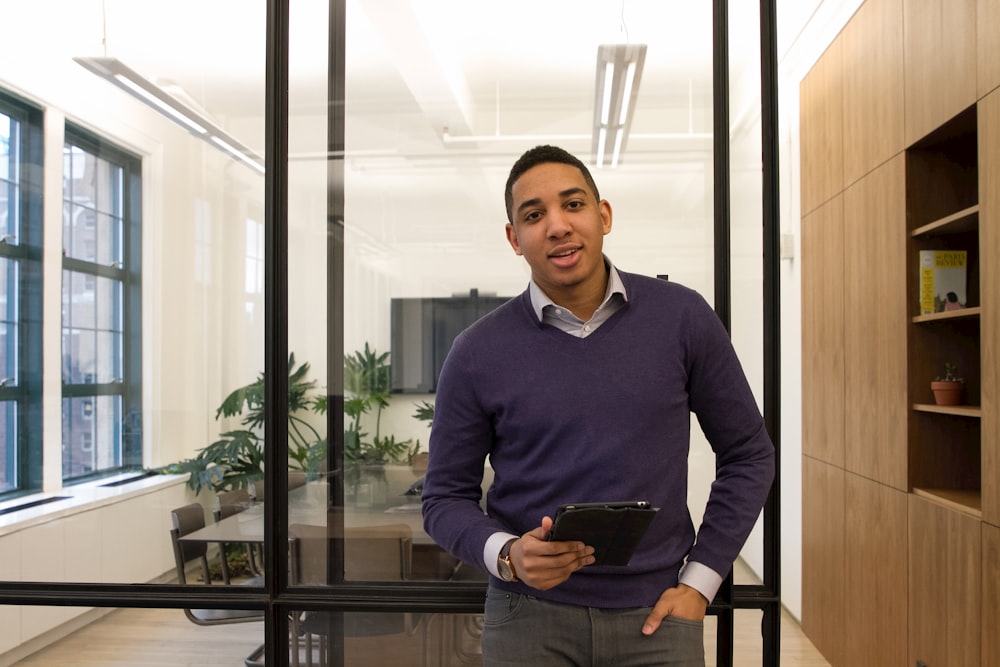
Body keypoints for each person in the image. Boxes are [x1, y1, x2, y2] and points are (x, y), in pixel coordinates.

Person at [421, 145, 775, 666]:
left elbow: (749, 455)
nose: (557, 226)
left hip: (659, 616)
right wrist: (507, 555)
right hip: (527, 620)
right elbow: (443, 499)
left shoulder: (683, 318)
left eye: (573, 205)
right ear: (514, 238)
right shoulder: (477, 351)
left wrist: (701, 581)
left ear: (603, 215)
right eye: (534, 215)